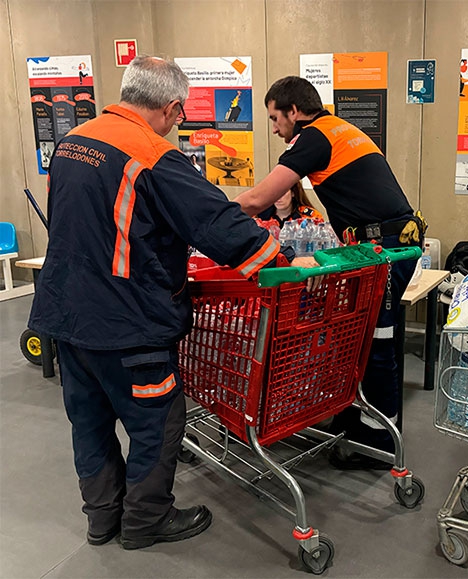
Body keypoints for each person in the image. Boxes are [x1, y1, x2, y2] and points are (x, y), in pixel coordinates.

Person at [27, 56, 317, 551]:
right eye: (178, 117)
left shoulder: (74, 142)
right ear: (172, 107)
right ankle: (145, 521)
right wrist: (283, 260)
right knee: (157, 421)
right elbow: (215, 222)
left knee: (90, 422)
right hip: (127, 322)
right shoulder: (151, 152)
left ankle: (102, 520)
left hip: (65, 313)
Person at [234, 76, 426, 469]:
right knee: (364, 340)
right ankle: (359, 421)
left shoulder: (315, 136)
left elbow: (259, 199)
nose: (274, 128)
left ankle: (377, 444)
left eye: (275, 118)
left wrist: (209, 216)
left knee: (378, 344)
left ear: (294, 111)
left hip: (384, 249)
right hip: (376, 246)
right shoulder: (339, 129)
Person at [258, 182, 323, 226]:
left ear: (293, 193)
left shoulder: (311, 217)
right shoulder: (260, 217)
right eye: (274, 192)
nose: (278, 197)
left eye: (283, 192)